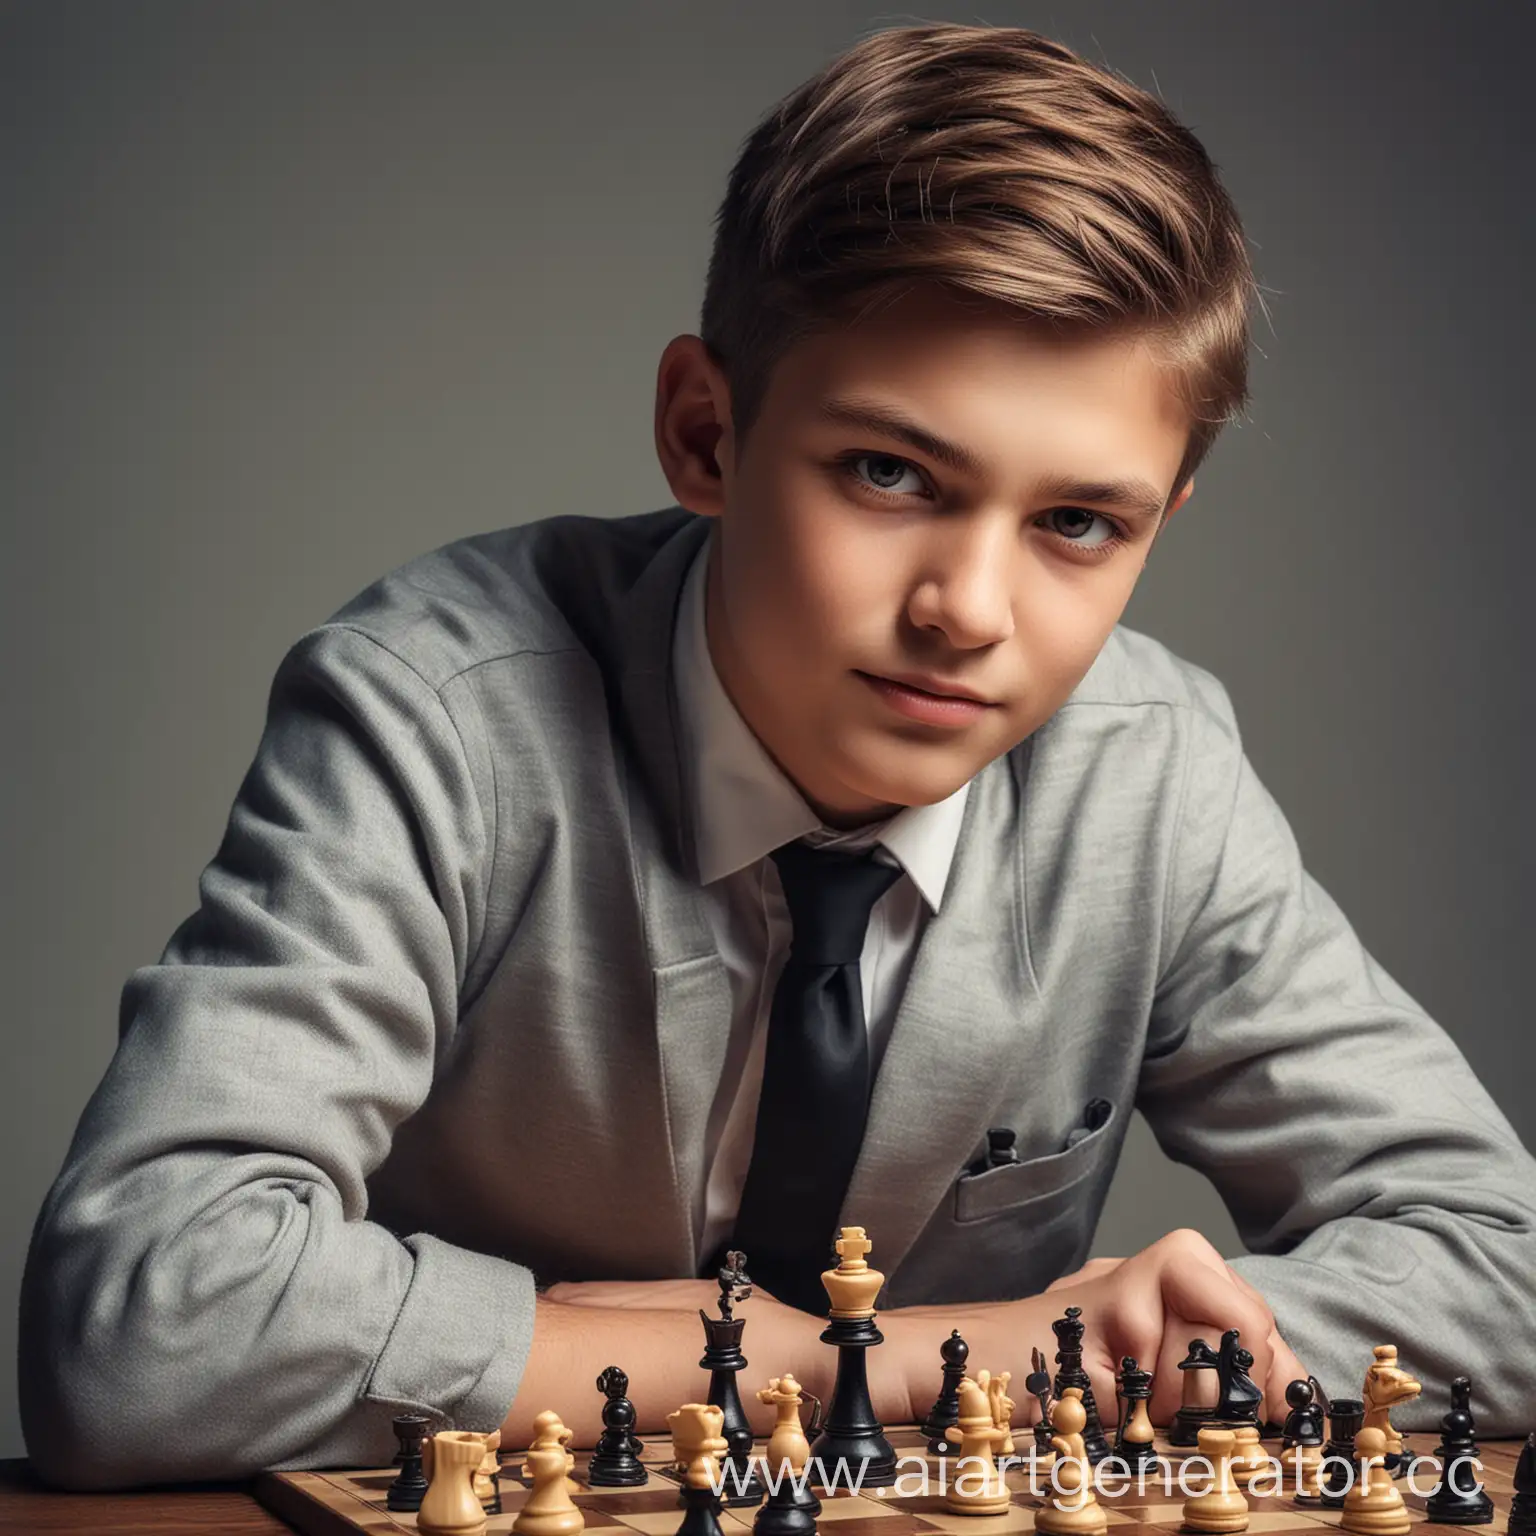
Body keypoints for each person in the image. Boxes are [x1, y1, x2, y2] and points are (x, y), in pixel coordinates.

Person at [18, 22, 1536, 1491]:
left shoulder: (1153, 775)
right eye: (891, 473)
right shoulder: (439, 712)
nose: (969, 612)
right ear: (705, 433)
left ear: (1157, 526)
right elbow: (143, 1326)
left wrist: (921, 1361)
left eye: (1080, 523)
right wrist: (815, 1370)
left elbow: (1506, 1270)